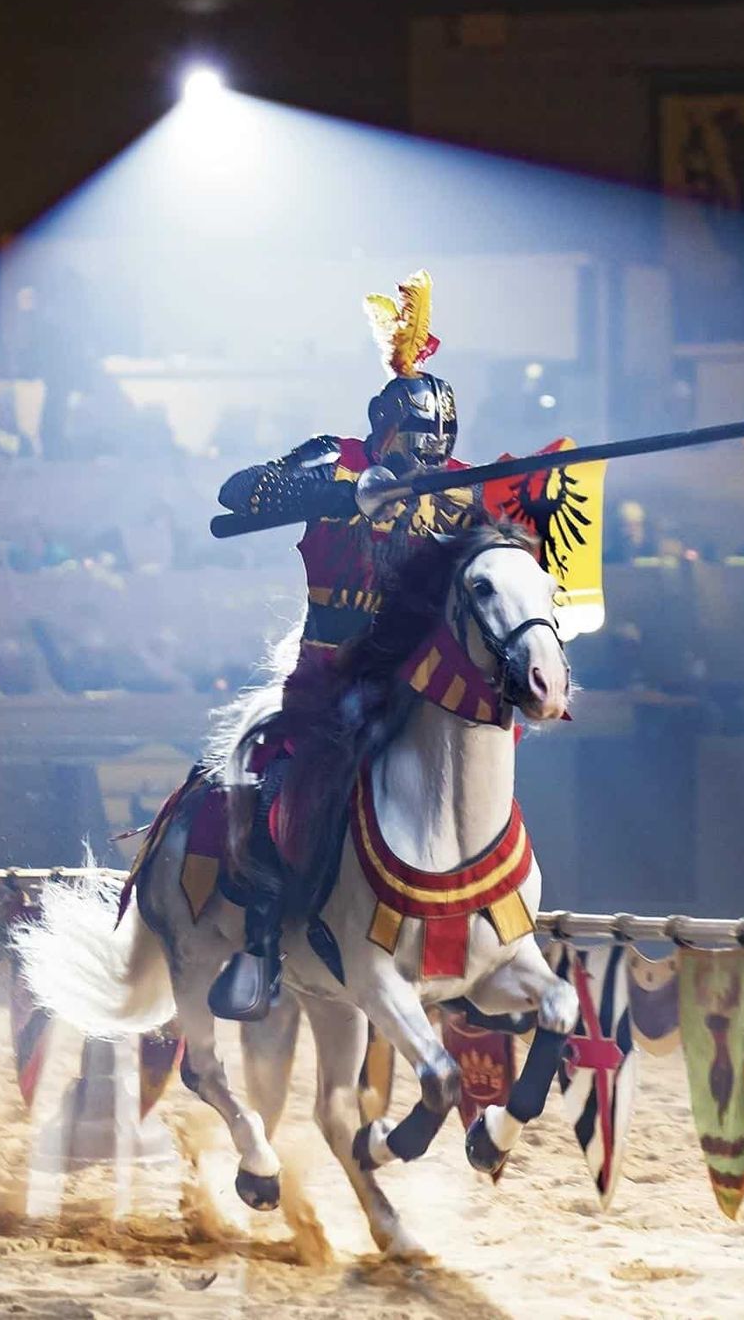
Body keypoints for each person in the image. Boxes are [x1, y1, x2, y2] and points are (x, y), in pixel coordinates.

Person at [207, 270, 483, 1020]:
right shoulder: (337, 457)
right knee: (277, 784)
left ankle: (484, 940)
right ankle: (261, 941)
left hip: (417, 685)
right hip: (329, 680)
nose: (431, 455)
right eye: (418, 441)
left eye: (441, 444)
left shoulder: (465, 487)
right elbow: (240, 492)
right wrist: (342, 494)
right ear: (388, 429)